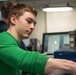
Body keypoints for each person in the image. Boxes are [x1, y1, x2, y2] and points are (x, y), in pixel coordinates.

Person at [0, 3, 76, 75]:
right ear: (13, 19)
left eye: (34, 23)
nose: (33, 27)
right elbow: (25, 60)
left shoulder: (15, 43)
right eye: (29, 21)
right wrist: (71, 67)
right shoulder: (2, 38)